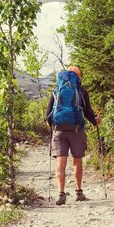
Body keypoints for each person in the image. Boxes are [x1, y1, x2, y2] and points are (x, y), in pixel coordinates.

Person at [46, 66, 101, 205]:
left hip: (59, 130)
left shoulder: (56, 91)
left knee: (60, 162)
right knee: (77, 161)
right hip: (77, 130)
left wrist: (52, 125)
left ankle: (61, 194)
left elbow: (48, 115)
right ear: (78, 77)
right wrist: (95, 121)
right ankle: (78, 192)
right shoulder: (81, 91)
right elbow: (88, 112)